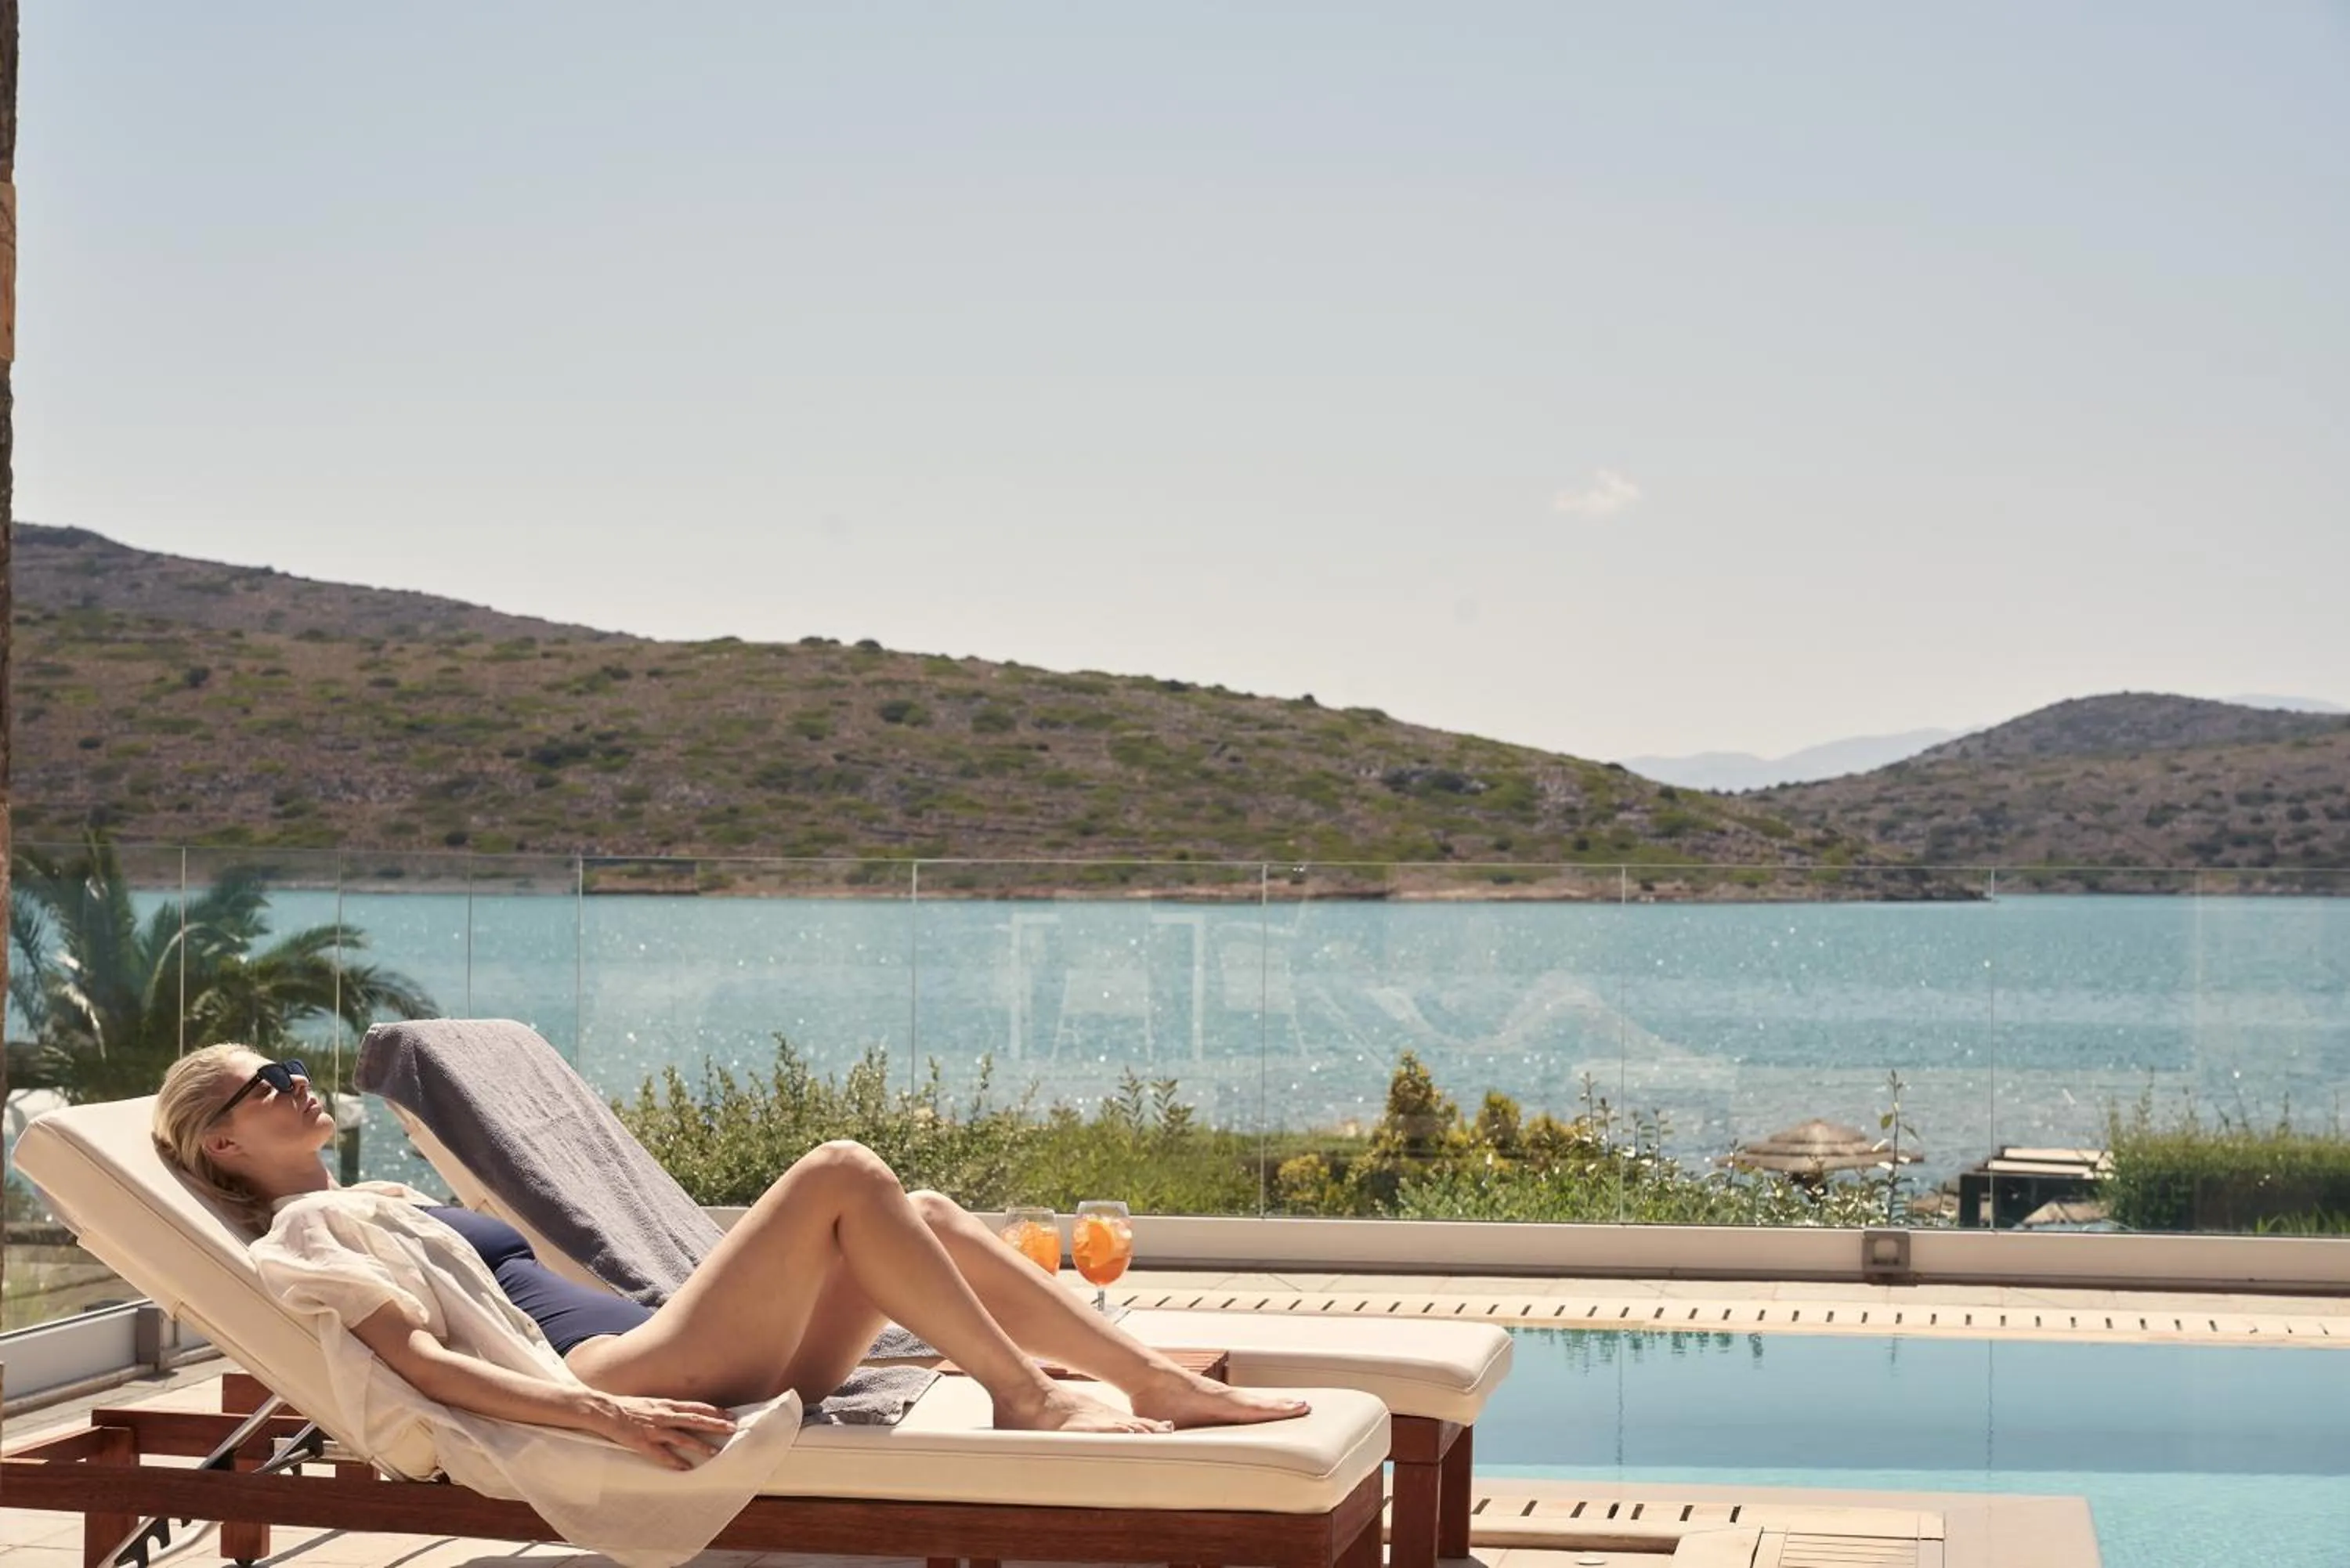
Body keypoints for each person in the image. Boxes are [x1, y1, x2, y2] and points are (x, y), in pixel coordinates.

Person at [153, 1044, 1308, 1472]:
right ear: (224, 1138)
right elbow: (420, 1365)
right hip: (619, 1376)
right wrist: (605, 1422)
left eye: (290, 1070)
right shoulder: (306, 1233)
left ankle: (1153, 1379)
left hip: (677, 1354)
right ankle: (1027, 1396)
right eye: (270, 1082)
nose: (299, 1080)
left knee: (933, 1208)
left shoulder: (380, 1196)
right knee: (843, 1169)